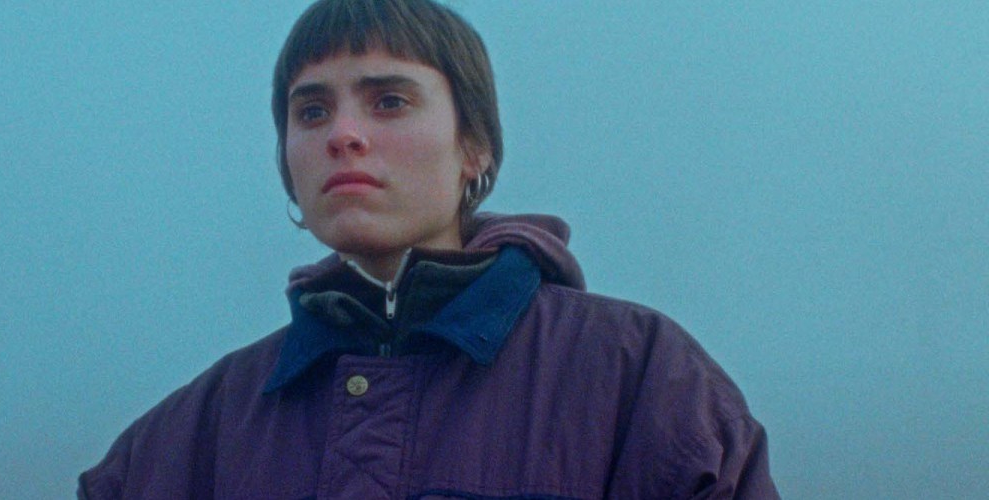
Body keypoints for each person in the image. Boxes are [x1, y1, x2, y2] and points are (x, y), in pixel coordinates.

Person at [79, 0, 779, 498]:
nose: (342, 134)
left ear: (474, 148)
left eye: (388, 101)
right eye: (311, 110)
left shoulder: (643, 382)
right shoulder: (179, 444)